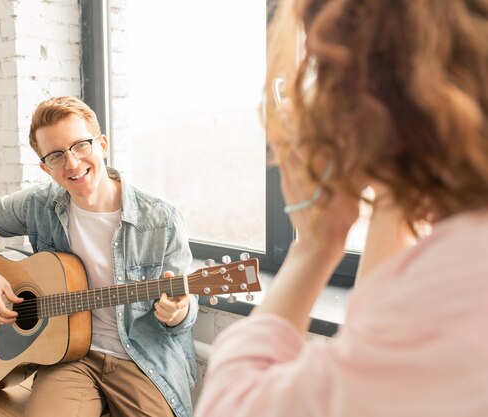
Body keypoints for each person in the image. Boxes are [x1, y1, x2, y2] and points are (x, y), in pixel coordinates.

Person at [195, 0, 488, 416]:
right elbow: (370, 333)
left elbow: (230, 406)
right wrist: (391, 178)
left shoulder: (448, 292)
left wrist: (314, 245)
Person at [0, 96, 198, 417]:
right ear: (45, 167)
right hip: (68, 357)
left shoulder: (162, 219)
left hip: (141, 359)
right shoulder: (39, 205)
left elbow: (180, 322)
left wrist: (177, 312)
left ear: (103, 144)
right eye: (56, 155)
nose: (72, 163)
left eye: (80, 145)